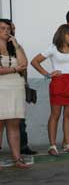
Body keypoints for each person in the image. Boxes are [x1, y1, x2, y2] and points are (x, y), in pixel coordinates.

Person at [31, 24, 69, 155]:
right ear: (62, 34)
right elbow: (35, 61)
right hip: (58, 83)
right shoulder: (53, 48)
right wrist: (47, 74)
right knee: (55, 115)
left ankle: (67, 144)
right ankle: (52, 146)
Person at [0, 19, 30, 169]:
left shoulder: (15, 46)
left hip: (15, 89)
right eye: (2, 28)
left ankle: (17, 159)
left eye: (8, 28)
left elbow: (24, 64)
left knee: (14, 125)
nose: (6, 31)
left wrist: (16, 45)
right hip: (1, 89)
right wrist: (14, 69)